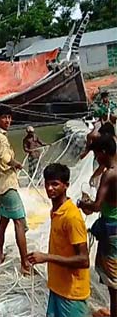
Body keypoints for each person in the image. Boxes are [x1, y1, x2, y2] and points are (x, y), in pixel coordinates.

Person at [27, 163, 90, 317]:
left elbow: (84, 260)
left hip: (71, 293)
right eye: (47, 184)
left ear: (66, 186)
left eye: (55, 184)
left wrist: (46, 257)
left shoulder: (72, 217)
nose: (49, 189)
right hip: (57, 287)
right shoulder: (55, 211)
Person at [79, 134, 117, 317]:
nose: (96, 159)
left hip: (111, 227)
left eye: (96, 155)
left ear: (103, 152)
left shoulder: (109, 174)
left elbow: (96, 206)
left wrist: (82, 203)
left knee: (113, 281)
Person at [0, 105, 29, 274]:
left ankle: (0, 255)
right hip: (7, 186)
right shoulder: (1, 138)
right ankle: (25, 264)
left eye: (10, 117)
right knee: (19, 222)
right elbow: (6, 158)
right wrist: (16, 163)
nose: (8, 121)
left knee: (4, 221)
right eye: (5, 117)